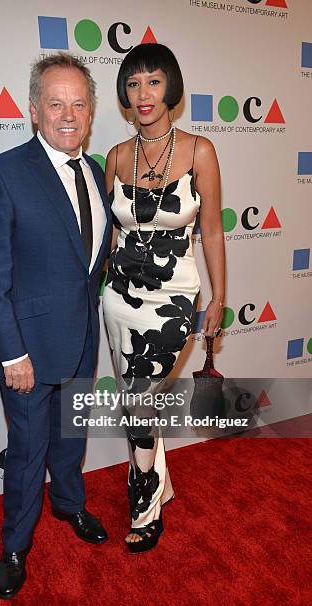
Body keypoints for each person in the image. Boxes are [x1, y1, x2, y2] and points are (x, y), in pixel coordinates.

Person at [0, 52, 112, 599]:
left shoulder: (94, 173)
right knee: (27, 452)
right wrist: (10, 355)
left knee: (70, 438)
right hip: (25, 351)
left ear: (92, 111)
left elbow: (85, 263)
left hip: (80, 340)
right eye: (56, 103)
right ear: (34, 110)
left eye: (79, 103)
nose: (68, 115)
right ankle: (14, 545)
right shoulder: (1, 175)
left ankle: (70, 506)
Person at [102, 43, 225, 553]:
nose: (143, 93)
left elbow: (212, 232)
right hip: (120, 297)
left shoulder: (200, 150)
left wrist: (218, 298)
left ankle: (145, 497)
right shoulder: (114, 156)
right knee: (138, 404)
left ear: (170, 87)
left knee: (140, 400)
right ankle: (154, 484)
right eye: (133, 84)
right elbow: (108, 238)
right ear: (124, 96)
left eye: (153, 81)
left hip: (175, 297)